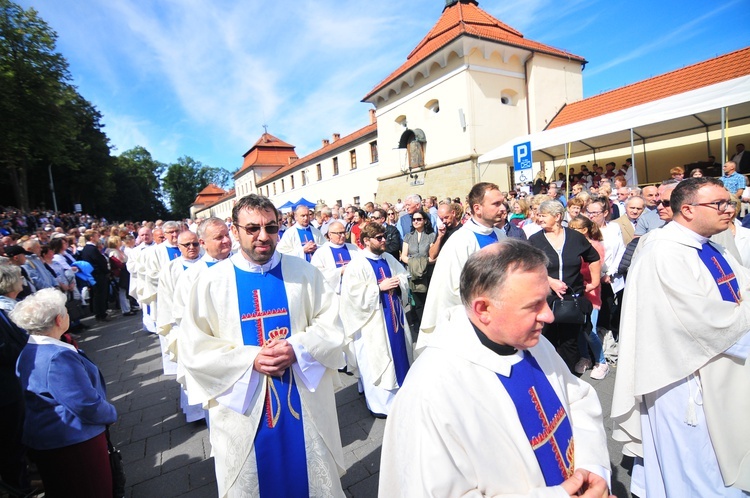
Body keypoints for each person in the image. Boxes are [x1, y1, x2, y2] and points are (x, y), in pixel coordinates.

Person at [379, 240, 612, 497]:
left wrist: (592, 469)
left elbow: (577, 400)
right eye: (533, 305)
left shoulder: (533, 343)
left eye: (545, 301)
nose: (548, 316)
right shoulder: (430, 392)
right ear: (484, 309)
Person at [179, 194, 346, 497]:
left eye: (271, 227)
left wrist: (299, 347)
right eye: (252, 228)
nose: (263, 237)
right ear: (235, 229)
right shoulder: (211, 282)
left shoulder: (304, 273)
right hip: (244, 411)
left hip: (303, 403)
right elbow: (194, 348)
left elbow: (331, 324)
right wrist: (250, 360)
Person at [612, 177, 750, 496]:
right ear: (687, 210)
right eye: (718, 203)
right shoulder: (662, 252)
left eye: (729, 202)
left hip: (719, 368)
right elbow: (696, 319)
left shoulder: (710, 245)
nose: (728, 209)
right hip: (683, 380)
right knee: (696, 463)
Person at [13, 288, 117, 497]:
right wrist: (111, 413)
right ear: (59, 319)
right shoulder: (56, 357)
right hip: (74, 442)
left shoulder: (29, 350)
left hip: (55, 440)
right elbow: (85, 405)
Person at [418, 182, 507, 348]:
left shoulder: (500, 235)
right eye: (496, 204)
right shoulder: (461, 241)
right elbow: (452, 290)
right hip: (475, 322)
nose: (503, 208)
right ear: (477, 208)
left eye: (502, 202)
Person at [340, 222, 413, 417]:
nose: (384, 241)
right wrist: (378, 288)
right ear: (366, 241)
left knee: (400, 355)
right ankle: (381, 406)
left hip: (395, 316)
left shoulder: (388, 257)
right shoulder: (357, 264)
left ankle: (402, 398)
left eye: (384, 237)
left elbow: (403, 275)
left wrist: (400, 283)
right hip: (373, 324)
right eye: (379, 238)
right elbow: (351, 296)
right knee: (377, 360)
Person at [528, 201, 601, 374]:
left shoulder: (575, 238)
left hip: (572, 298)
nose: (539, 218)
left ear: (558, 216)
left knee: (570, 341)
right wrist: (550, 280)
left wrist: (595, 282)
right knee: (547, 339)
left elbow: (594, 257)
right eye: (539, 215)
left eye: (543, 215)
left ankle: (568, 377)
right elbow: (528, 266)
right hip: (546, 298)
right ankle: (549, 377)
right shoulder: (535, 240)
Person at [0, 265, 32, 494]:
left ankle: (23, 482)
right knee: (11, 448)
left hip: (10, 387)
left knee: (16, 446)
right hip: (5, 393)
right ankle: (19, 487)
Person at [567, 215, 609, 380]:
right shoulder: (570, 245)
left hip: (590, 292)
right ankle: (585, 357)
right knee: (579, 328)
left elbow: (594, 274)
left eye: (574, 228)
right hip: (575, 291)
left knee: (589, 330)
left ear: (584, 230)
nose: (569, 231)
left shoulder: (595, 246)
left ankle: (601, 361)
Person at [400, 209, 436, 336]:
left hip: (428, 273)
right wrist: (415, 263)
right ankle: (420, 326)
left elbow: (433, 257)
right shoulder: (408, 237)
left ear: (425, 221)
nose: (416, 221)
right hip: (413, 273)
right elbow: (403, 256)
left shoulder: (431, 236)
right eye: (414, 219)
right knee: (417, 302)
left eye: (419, 219)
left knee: (428, 300)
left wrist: (421, 262)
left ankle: (430, 325)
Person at [310, 220, 358, 295]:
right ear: (330, 235)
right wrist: (340, 271)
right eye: (339, 233)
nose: (343, 236)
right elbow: (317, 274)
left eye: (344, 232)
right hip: (333, 295)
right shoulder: (321, 252)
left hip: (354, 292)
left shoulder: (354, 249)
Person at [78, 229, 112, 322]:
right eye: (96, 236)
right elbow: (98, 262)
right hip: (98, 275)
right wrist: (106, 271)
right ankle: (101, 314)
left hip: (95, 275)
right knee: (99, 295)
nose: (98, 237)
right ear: (92, 237)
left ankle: (100, 313)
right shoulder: (91, 249)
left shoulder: (88, 248)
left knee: (98, 295)